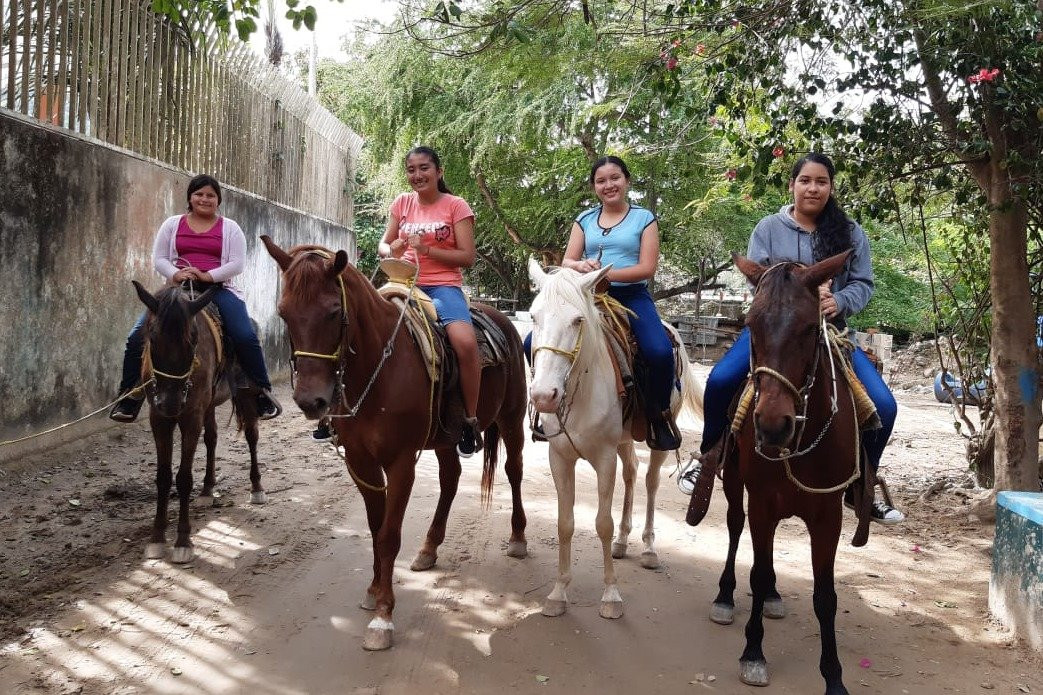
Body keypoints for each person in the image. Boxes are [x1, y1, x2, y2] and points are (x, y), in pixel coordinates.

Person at [682, 152, 903, 525]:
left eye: (821, 181)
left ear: (831, 188)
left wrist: (839, 299)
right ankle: (707, 459)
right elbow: (759, 280)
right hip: (775, 333)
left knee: (884, 406)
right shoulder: (768, 227)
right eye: (805, 180)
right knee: (720, 381)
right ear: (792, 185)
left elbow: (864, 283)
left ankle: (859, 484)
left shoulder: (850, 233)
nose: (813, 188)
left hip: (831, 331)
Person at [526, 155, 682, 451]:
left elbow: (647, 267)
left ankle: (658, 417)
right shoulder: (584, 220)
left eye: (615, 178)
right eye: (601, 181)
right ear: (593, 186)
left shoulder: (644, 218)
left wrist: (606, 275)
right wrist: (582, 267)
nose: (608, 185)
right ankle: (546, 408)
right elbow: (568, 260)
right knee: (529, 343)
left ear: (627, 181)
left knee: (659, 352)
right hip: (587, 297)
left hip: (631, 296)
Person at [110, 174, 282, 422]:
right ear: (190, 198)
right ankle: (129, 394)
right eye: (199, 194)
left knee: (245, 335)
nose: (204, 199)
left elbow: (237, 263)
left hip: (217, 289)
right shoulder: (172, 224)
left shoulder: (230, 228)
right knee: (136, 336)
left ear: (218, 200)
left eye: (210, 195)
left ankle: (261, 392)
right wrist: (176, 273)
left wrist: (208, 275)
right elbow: (159, 258)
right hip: (176, 291)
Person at [377, 146, 483, 458]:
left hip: (442, 286)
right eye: (411, 170)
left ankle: (469, 419)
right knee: (355, 321)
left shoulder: (456, 206)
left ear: (439, 171)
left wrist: (427, 251)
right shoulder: (402, 203)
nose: (417, 175)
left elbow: (468, 257)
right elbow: (385, 244)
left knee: (464, 343)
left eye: (424, 168)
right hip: (402, 280)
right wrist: (391, 250)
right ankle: (337, 412)